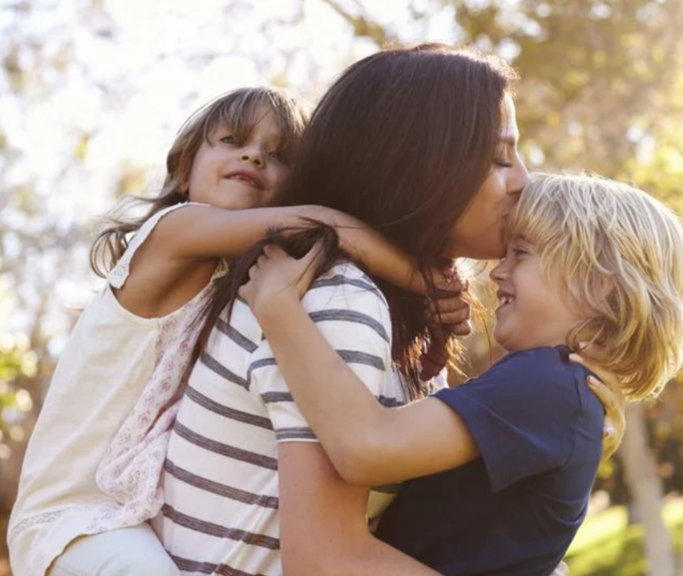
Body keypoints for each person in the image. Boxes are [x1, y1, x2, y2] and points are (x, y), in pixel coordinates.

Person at [7, 86, 454, 576]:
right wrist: (428, 285)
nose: (253, 156)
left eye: (278, 155)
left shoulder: (237, 280)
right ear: (183, 168)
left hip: (135, 512)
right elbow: (326, 225)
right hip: (75, 517)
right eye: (231, 139)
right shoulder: (171, 234)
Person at [155, 44, 536, 576]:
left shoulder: (383, 308)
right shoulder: (336, 300)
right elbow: (325, 561)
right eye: (499, 158)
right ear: (420, 167)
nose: (523, 179)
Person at [243, 172, 683, 575]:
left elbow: (367, 445)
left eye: (521, 253)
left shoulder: (547, 383)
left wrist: (278, 307)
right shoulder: (562, 392)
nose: (498, 272)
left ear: (601, 284)